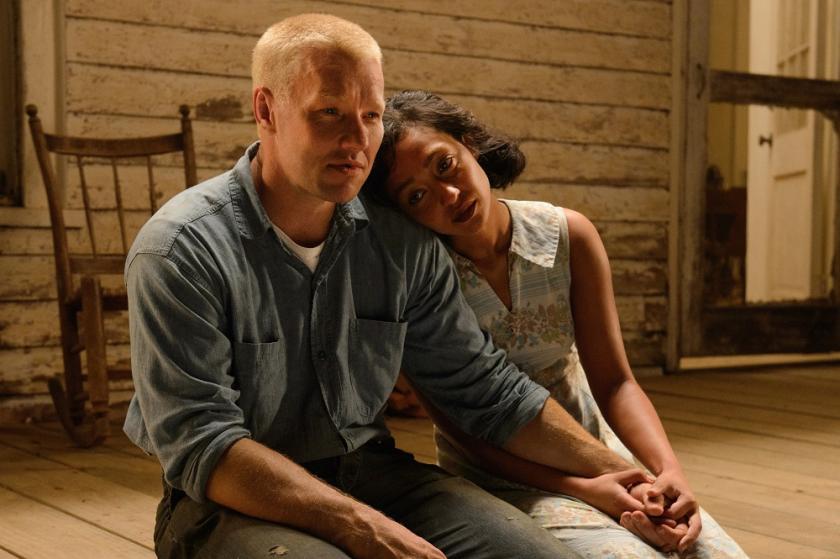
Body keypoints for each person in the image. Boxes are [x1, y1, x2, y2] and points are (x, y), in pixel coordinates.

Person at [123, 14, 659, 559]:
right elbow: (203, 443)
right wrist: (362, 527)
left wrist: (630, 477)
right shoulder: (180, 249)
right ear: (266, 110)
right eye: (329, 112)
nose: (358, 141)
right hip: (226, 502)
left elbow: (486, 392)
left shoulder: (401, 242)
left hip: (375, 476)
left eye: (371, 116)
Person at [366, 90, 749, 558]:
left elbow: (616, 382)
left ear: (468, 143)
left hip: (599, 450)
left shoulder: (566, 235)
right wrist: (586, 489)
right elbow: (466, 433)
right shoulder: (419, 279)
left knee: (711, 553)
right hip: (503, 479)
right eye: (417, 196)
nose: (448, 195)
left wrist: (668, 472)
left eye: (445, 165)